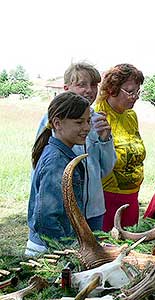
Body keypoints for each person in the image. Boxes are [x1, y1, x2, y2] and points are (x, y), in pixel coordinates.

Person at [35, 62, 116, 231]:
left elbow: (105, 170)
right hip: (64, 212)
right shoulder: (54, 120)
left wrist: (105, 140)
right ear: (66, 88)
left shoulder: (97, 120)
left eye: (94, 85)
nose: (89, 90)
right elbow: (43, 170)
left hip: (94, 210)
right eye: (81, 85)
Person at [26, 92, 91, 256]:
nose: (87, 127)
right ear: (57, 123)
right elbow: (45, 218)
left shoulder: (63, 155)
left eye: (88, 121)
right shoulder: (57, 161)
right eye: (79, 122)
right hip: (48, 252)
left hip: (55, 247)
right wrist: (65, 250)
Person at [94, 63, 146, 232]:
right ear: (112, 89)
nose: (135, 97)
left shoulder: (131, 116)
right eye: (130, 91)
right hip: (106, 199)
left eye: (137, 91)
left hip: (131, 196)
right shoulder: (98, 117)